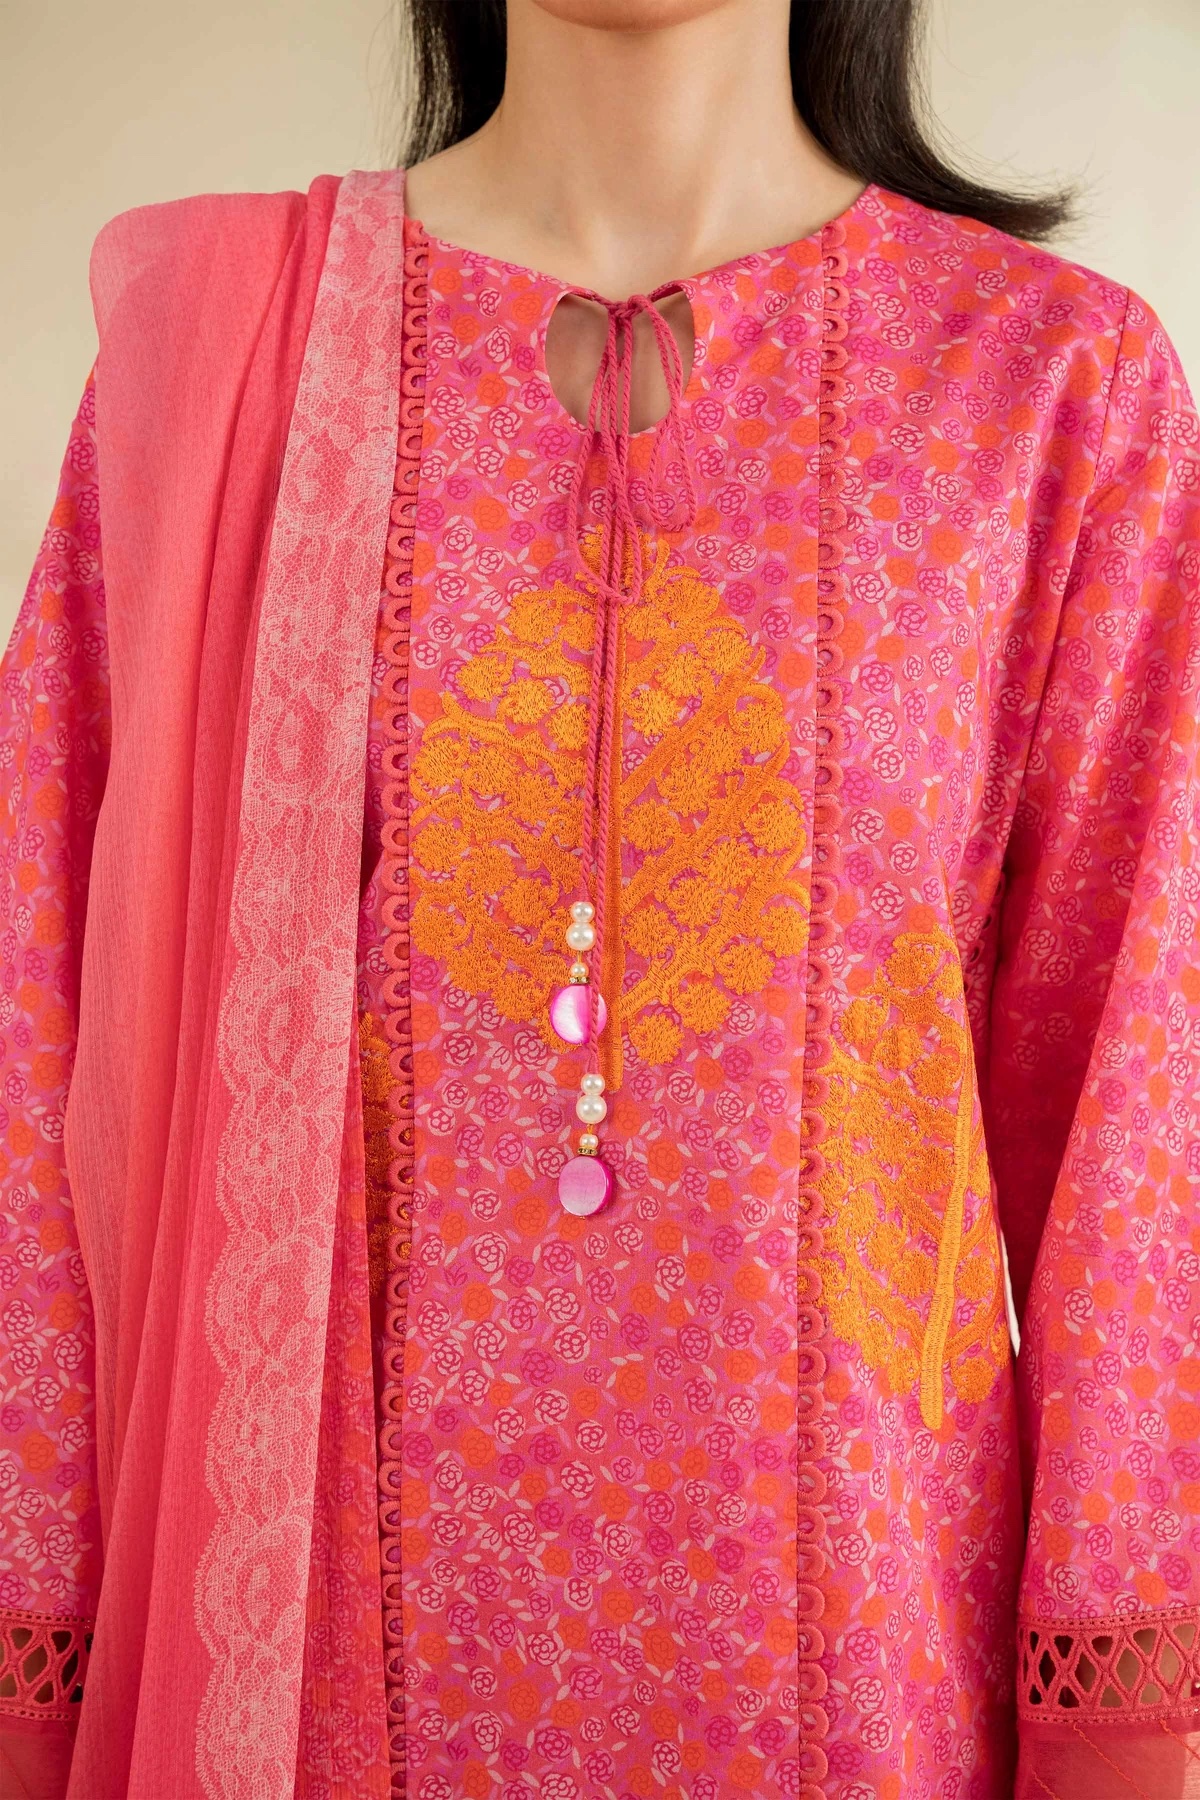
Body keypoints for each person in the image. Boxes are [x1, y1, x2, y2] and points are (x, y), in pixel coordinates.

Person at [1, 0, 1198, 1794]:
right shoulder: (226, 367)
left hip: (870, 1700)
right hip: (308, 1704)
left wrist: (1122, 1705)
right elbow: (35, 1045)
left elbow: (1144, 1132)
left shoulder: (1046, 384)